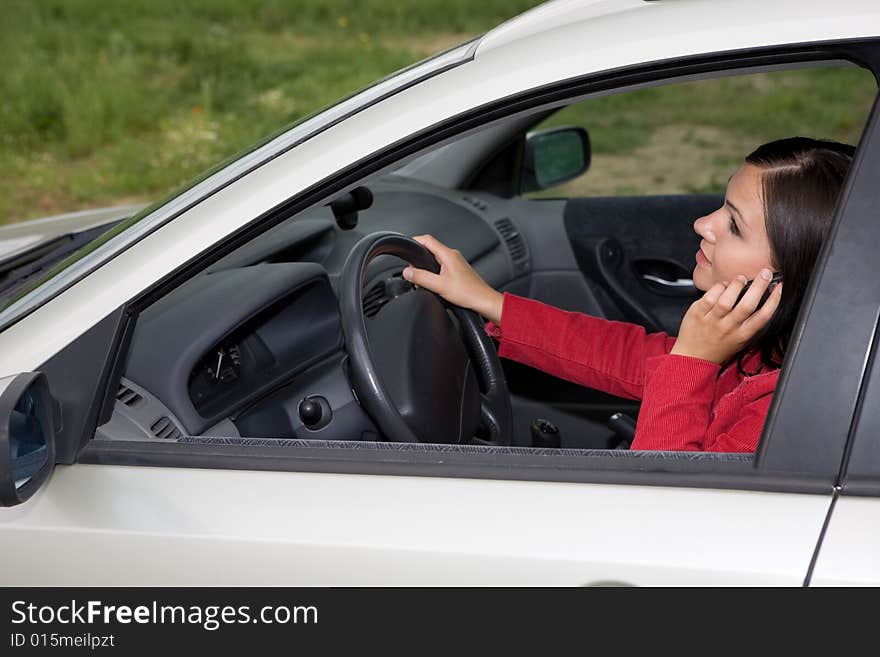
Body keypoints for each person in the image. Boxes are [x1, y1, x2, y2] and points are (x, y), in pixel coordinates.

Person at [401, 137, 855, 452]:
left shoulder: (781, 417)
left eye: (733, 225)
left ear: (788, 280)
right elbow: (624, 354)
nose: (703, 224)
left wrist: (693, 362)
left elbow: (666, 512)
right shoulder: (765, 354)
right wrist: (488, 301)